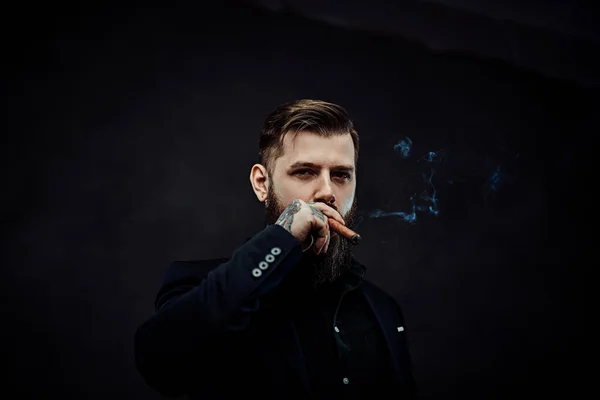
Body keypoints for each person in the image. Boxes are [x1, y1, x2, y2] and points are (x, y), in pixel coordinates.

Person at [134, 99, 416, 399]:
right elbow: (158, 360)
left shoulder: (382, 308)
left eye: (341, 175)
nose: (328, 192)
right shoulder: (198, 285)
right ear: (261, 183)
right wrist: (281, 237)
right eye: (305, 172)